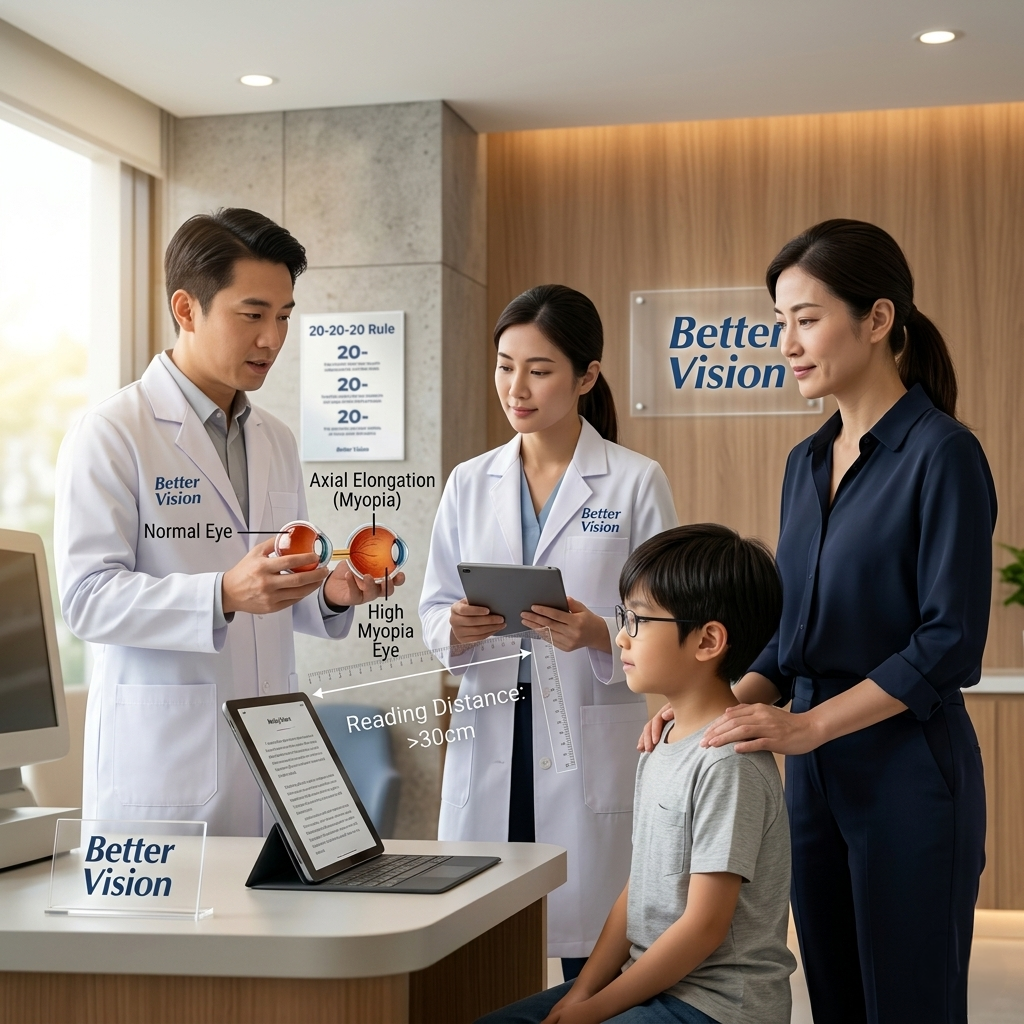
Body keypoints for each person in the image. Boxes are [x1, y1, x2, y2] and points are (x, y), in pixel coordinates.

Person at [642, 219, 996, 1024]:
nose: (788, 342)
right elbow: (791, 634)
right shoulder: (805, 463)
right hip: (816, 784)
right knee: (832, 999)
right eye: (779, 323)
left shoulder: (944, 455)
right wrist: (711, 708)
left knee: (910, 1004)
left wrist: (810, 726)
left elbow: (948, 643)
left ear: (876, 320)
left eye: (806, 318)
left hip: (910, 774)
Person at [56, 208, 402, 836]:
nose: (272, 338)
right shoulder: (111, 433)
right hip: (164, 776)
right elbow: (85, 600)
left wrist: (328, 590)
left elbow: (279, 581)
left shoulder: (276, 440)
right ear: (186, 309)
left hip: (275, 761)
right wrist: (219, 594)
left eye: (284, 317)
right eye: (253, 315)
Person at [419, 284, 678, 977]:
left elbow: (670, 620)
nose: (517, 387)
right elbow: (431, 608)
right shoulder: (469, 483)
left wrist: (600, 633)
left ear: (586, 376)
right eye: (506, 366)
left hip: (586, 734)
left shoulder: (634, 483)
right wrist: (457, 627)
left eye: (539, 369)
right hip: (492, 728)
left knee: (590, 952)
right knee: (482, 947)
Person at [477, 524, 794, 1024]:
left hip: (715, 1006)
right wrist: (579, 994)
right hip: (651, 982)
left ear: (708, 640)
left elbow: (704, 928)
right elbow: (639, 889)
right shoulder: (661, 740)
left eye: (639, 621)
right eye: (624, 616)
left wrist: (598, 1008)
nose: (620, 635)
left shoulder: (728, 765)